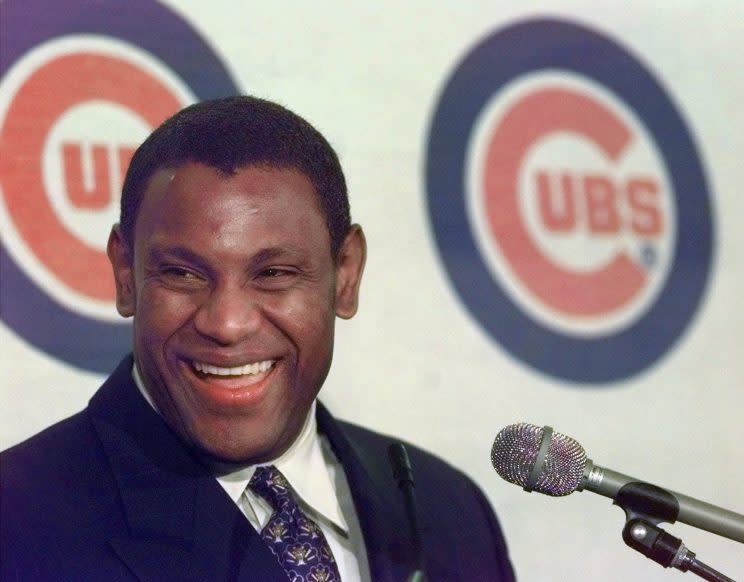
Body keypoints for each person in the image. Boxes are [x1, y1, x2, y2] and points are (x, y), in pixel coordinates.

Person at [0, 96, 515, 581]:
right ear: (125, 274)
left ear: (346, 274)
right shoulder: (18, 520)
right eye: (182, 273)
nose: (226, 324)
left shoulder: (447, 511)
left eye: (274, 273)